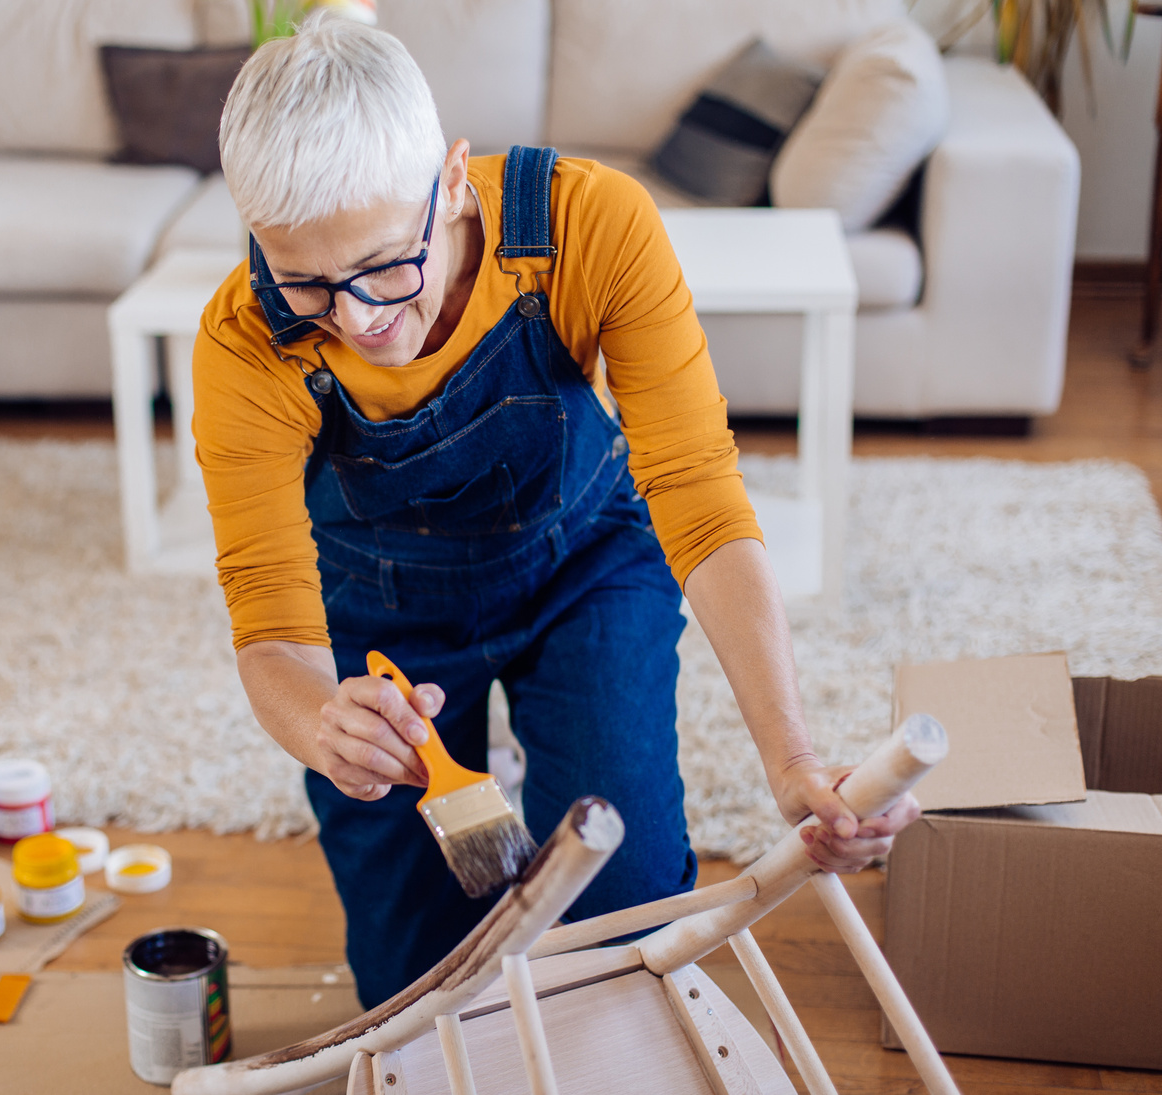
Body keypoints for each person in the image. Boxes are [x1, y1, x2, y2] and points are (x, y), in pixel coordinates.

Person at [192, 12, 919, 1010]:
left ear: (451, 180)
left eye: (382, 270)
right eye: (308, 284)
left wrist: (790, 762)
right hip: (377, 615)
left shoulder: (588, 225)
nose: (357, 321)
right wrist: (324, 725)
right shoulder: (241, 346)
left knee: (623, 923)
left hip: (584, 562)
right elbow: (269, 620)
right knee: (416, 992)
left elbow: (700, 501)